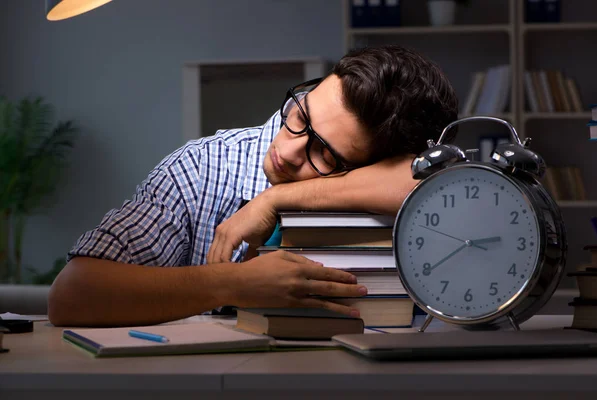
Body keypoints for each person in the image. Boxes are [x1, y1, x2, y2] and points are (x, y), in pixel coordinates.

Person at [48, 45, 458, 327]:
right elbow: (72, 294)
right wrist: (232, 284)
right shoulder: (203, 166)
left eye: (325, 154)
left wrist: (277, 197)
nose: (289, 148)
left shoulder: (395, 179)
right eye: (301, 115)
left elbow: (444, 180)